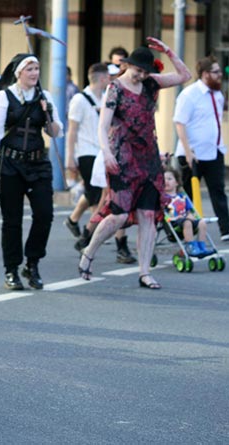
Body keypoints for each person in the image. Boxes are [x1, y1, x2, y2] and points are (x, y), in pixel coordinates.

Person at [78, 38, 191, 289]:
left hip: (149, 157)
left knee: (148, 215)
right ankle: (89, 251)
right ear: (127, 65)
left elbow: (185, 75)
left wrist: (169, 52)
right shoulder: (115, 88)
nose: (141, 75)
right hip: (123, 157)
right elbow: (103, 125)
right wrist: (106, 152)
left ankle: (144, 272)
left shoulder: (151, 84)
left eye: (144, 71)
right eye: (137, 70)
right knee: (118, 216)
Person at [0, 53, 63, 290]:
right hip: (10, 165)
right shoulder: (4, 97)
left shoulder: (44, 97)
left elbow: (56, 132)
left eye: (37, 68)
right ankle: (11, 269)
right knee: (12, 220)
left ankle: (33, 263)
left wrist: (47, 113)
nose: (35, 73)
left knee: (45, 214)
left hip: (38, 164)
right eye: (30, 69)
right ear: (19, 73)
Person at [63, 63, 136, 264]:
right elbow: (72, 130)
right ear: (103, 78)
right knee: (104, 200)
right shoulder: (79, 99)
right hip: (87, 153)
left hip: (106, 153)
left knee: (105, 199)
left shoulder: (106, 97)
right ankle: (97, 240)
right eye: (110, 77)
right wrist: (70, 157)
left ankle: (81, 230)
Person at [174, 55, 229, 242]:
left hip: (214, 151)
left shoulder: (218, 95)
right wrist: (188, 152)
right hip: (193, 154)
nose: (220, 75)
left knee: (218, 191)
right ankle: (184, 230)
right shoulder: (189, 95)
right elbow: (179, 123)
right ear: (205, 74)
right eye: (216, 72)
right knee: (189, 195)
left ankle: (226, 229)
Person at [163, 168, 215, 257]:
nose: (166, 181)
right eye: (164, 179)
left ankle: (201, 246)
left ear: (176, 183)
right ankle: (190, 246)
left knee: (202, 222)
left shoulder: (182, 197)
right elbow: (164, 213)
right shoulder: (163, 198)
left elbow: (190, 210)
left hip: (186, 219)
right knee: (187, 222)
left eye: (169, 179)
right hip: (174, 222)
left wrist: (191, 216)